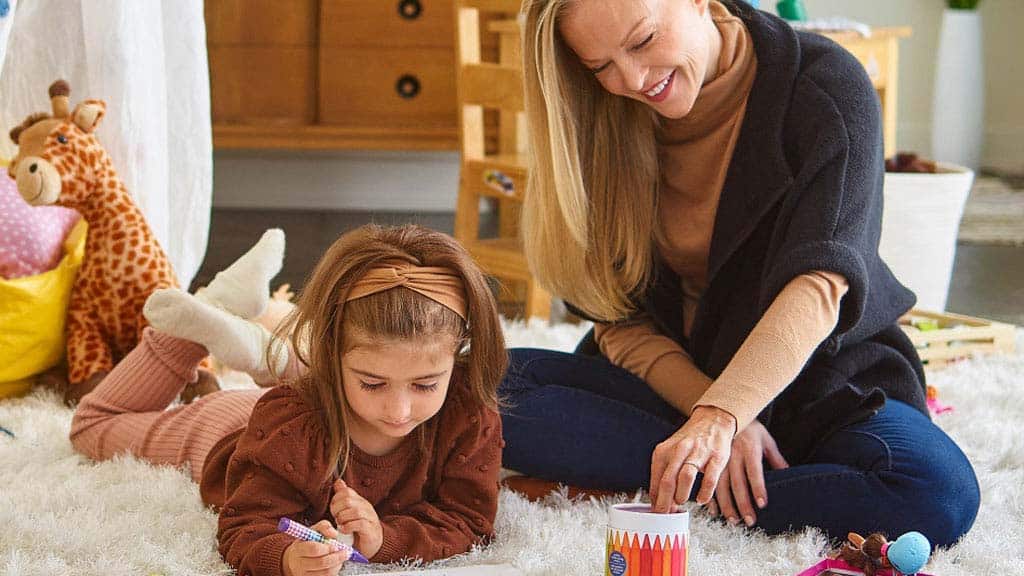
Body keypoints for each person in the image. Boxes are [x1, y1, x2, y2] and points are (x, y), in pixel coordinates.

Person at [501, 0, 979, 548]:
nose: (631, 80)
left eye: (642, 41)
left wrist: (722, 417)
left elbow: (819, 284)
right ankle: (714, 476)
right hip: (675, 389)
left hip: (820, 381)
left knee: (935, 494)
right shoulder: (597, 114)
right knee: (482, 387)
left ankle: (660, 484)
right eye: (601, 66)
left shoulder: (825, 86)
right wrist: (714, 413)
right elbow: (618, 320)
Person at [69, 224, 507, 576]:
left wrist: (383, 539)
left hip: (304, 407)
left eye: (425, 385)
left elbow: (467, 521)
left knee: (331, 393)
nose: (399, 411)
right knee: (93, 424)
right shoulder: (291, 424)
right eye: (373, 384)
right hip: (224, 432)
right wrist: (284, 559)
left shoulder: (470, 411)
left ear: (459, 355)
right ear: (330, 355)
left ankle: (245, 337)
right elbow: (243, 528)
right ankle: (201, 318)